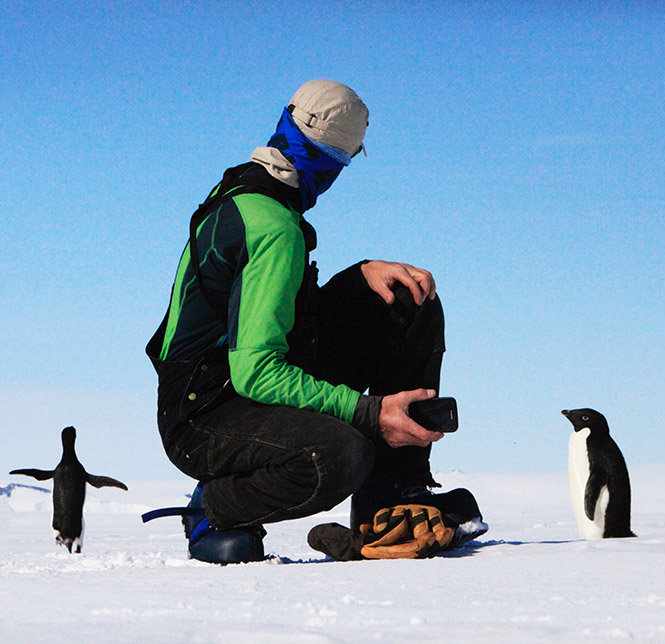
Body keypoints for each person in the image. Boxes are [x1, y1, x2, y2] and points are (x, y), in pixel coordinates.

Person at [145, 80, 485, 563]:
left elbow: (265, 320)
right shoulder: (275, 228)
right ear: (337, 162)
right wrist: (370, 412)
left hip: (217, 383)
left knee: (404, 299)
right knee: (339, 455)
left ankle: (390, 496)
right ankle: (214, 507)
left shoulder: (245, 189)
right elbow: (257, 370)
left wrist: (359, 278)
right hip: (205, 417)